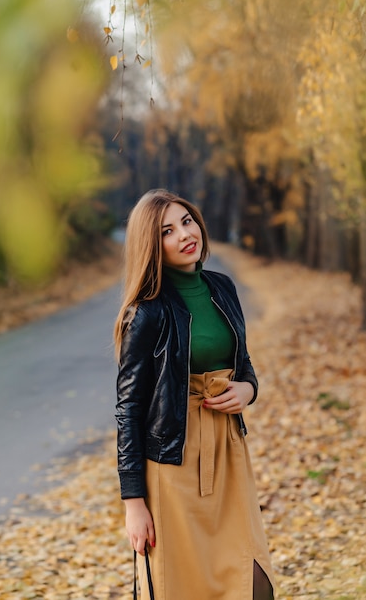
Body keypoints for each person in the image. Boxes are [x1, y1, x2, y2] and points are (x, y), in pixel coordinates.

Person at [114, 189, 275, 600]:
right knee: (177, 585)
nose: (185, 234)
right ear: (152, 244)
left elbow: (244, 362)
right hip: (172, 463)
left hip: (228, 451)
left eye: (187, 221)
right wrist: (134, 502)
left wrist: (248, 389)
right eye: (167, 230)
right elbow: (128, 408)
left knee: (252, 582)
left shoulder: (222, 288)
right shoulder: (146, 311)